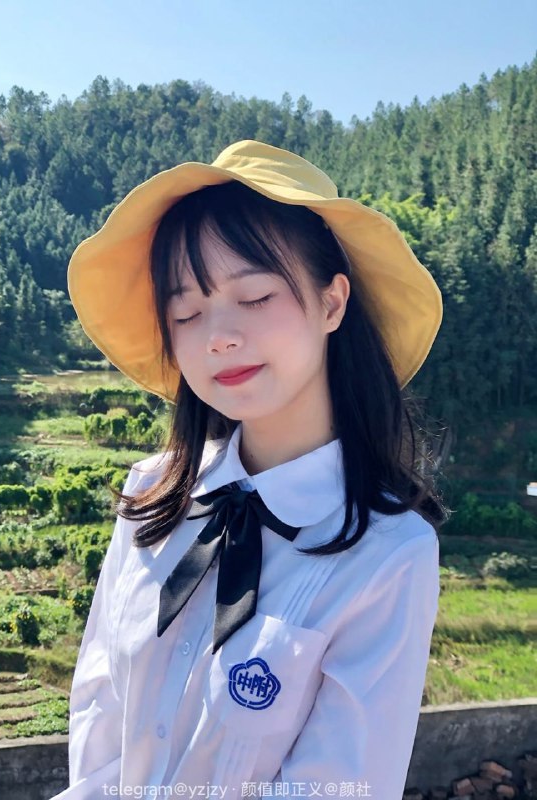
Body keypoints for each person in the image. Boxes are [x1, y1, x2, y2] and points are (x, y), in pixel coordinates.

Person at [49, 140, 449, 800]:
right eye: (186, 312)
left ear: (332, 303)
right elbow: (98, 717)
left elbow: (341, 787)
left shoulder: (390, 552)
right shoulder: (150, 494)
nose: (218, 336)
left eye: (255, 297)